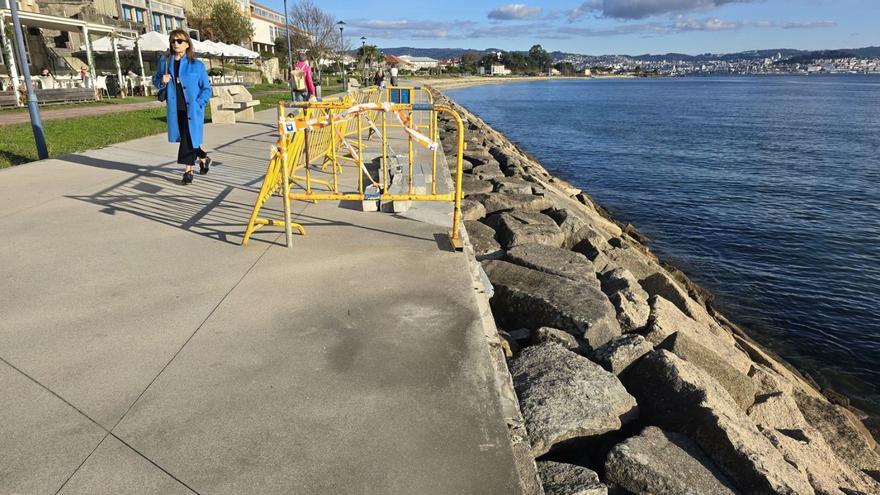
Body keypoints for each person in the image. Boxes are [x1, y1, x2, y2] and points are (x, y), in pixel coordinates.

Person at [152, 29, 213, 185]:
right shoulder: (165, 61)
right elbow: (156, 79)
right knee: (188, 138)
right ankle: (204, 158)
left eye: (179, 41)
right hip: (175, 108)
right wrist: (162, 81)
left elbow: (207, 89)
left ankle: (188, 171)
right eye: (173, 41)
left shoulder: (197, 65)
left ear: (187, 44)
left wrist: (199, 103)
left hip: (192, 109)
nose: (175, 44)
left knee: (187, 138)